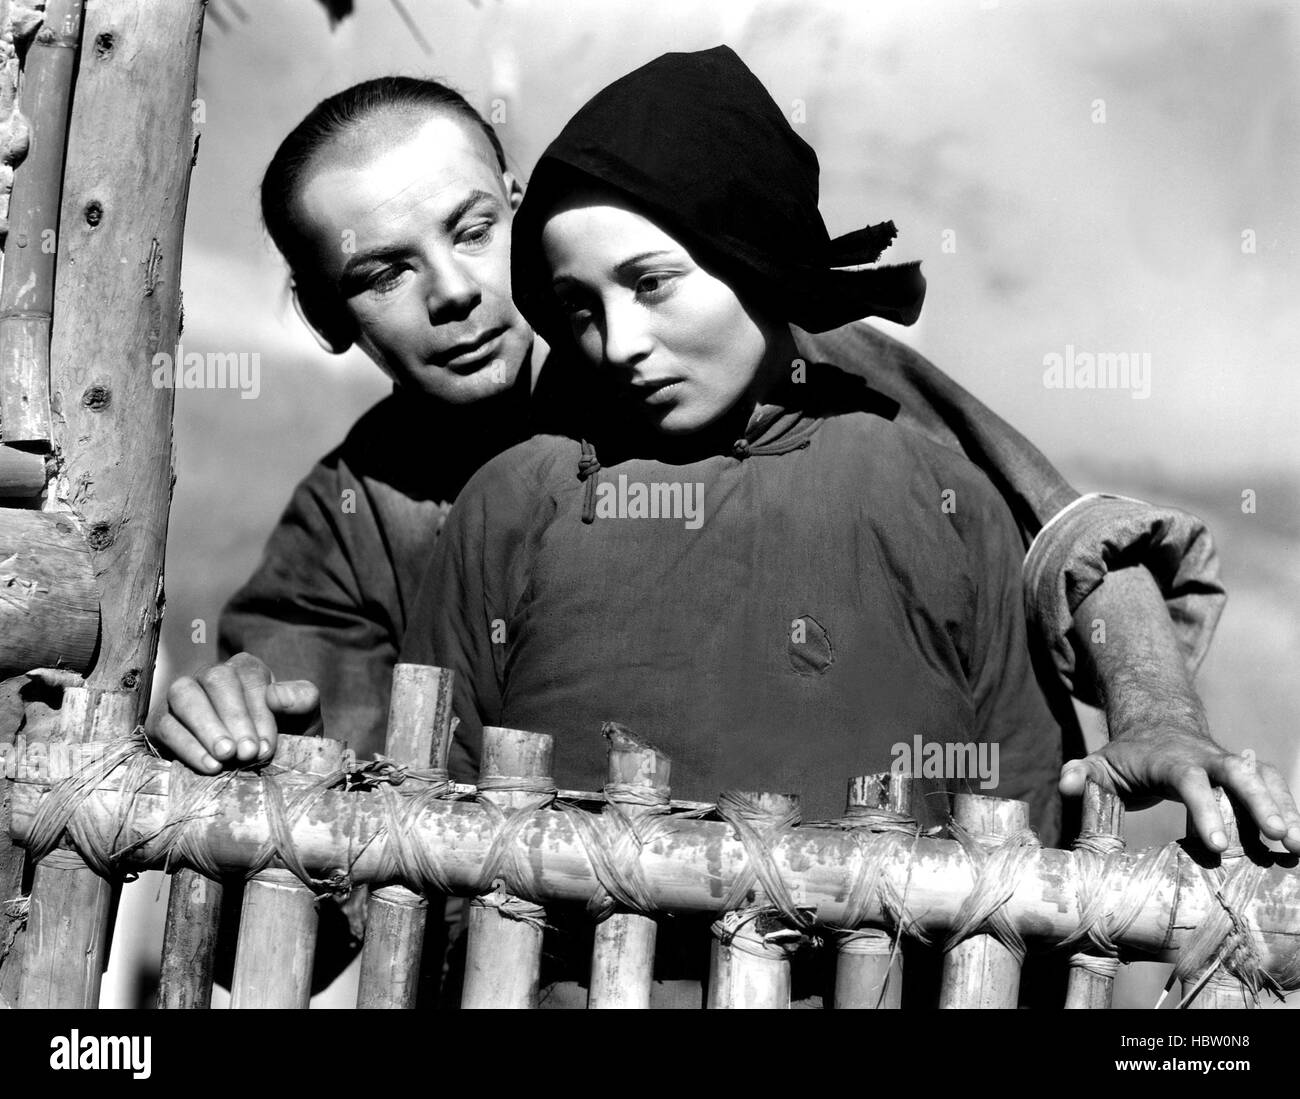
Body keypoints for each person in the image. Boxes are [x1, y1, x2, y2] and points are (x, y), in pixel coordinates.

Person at [148, 75, 1299, 856]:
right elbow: (325, 768)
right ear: (323, 318)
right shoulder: (358, 512)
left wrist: (1156, 713)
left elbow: (1074, 541)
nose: (451, 291)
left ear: (524, 205)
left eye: (469, 229)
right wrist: (230, 719)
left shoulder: (800, 363)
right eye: (380, 271)